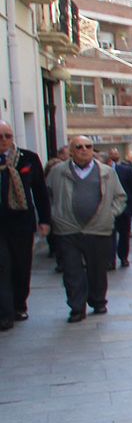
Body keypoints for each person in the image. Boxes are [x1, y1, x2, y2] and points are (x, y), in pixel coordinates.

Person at [44, 136, 125, 323]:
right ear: (71, 151)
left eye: (88, 146)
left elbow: (120, 197)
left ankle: (98, 301)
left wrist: (109, 214)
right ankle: (76, 307)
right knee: (72, 270)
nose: (84, 150)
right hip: (67, 229)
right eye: (78, 147)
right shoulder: (57, 172)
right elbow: (46, 195)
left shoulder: (106, 172)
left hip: (97, 228)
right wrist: (55, 215)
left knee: (97, 269)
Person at [0, 121, 50, 330]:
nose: (3, 141)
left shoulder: (28, 159)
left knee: (21, 266)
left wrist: (45, 220)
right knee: (2, 266)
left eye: (8, 136)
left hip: (21, 223)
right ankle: (5, 313)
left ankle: (19, 303)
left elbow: (40, 192)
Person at [111, 149, 132, 267]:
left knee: (124, 234)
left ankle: (123, 257)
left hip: (123, 207)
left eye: (116, 154)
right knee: (109, 235)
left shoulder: (125, 170)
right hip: (106, 209)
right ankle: (110, 259)